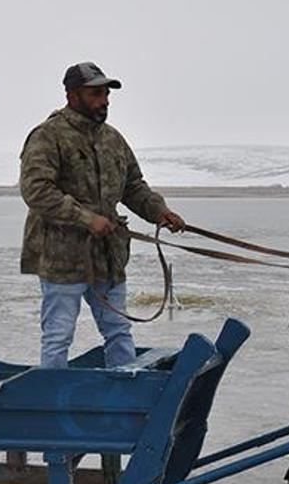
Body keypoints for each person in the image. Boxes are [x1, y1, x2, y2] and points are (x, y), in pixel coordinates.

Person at [19, 61, 185, 368]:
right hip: (61, 259)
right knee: (58, 336)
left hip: (108, 256)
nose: (104, 100)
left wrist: (159, 211)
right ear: (72, 95)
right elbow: (37, 190)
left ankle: (125, 395)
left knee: (119, 331)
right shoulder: (47, 136)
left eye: (106, 94)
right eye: (95, 94)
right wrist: (86, 219)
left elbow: (133, 186)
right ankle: (51, 402)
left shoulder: (113, 139)